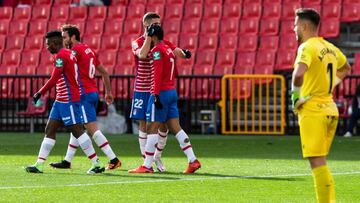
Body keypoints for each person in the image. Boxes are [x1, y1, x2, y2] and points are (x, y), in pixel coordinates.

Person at [291, 8, 351, 203]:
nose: (294, 28)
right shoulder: (330, 47)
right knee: (320, 162)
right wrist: (329, 84)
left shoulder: (307, 47)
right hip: (330, 109)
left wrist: (294, 98)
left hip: (313, 111)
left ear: (304, 26)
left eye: (295, 24)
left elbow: (298, 74)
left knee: (317, 163)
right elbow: (346, 68)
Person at [25, 30, 105, 174]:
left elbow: (54, 78)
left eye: (48, 44)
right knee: (49, 129)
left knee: (78, 131)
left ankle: (96, 163)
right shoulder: (68, 54)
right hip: (60, 100)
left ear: (56, 43)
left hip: (68, 99)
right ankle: (39, 164)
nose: (47, 47)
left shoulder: (62, 55)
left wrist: (39, 93)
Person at [129, 24, 201, 174]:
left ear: (152, 35)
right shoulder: (168, 50)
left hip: (161, 92)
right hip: (171, 91)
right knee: (176, 127)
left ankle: (147, 165)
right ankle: (192, 160)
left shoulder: (156, 51)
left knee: (151, 127)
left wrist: (154, 94)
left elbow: (157, 73)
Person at [49, 25, 121, 170]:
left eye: (64, 37)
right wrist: (108, 92)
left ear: (73, 37)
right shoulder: (89, 50)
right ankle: (67, 161)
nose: (62, 41)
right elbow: (105, 73)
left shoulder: (73, 51)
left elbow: (62, 67)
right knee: (77, 127)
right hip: (92, 92)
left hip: (83, 94)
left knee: (91, 129)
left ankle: (113, 159)